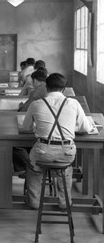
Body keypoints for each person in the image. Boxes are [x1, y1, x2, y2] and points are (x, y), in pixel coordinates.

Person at [21, 73, 95, 210]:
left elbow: (26, 128)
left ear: (47, 87)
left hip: (43, 151)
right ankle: (64, 202)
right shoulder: (74, 103)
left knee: (33, 167)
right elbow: (85, 128)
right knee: (65, 168)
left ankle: (34, 202)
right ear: (64, 88)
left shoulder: (36, 104)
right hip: (66, 152)